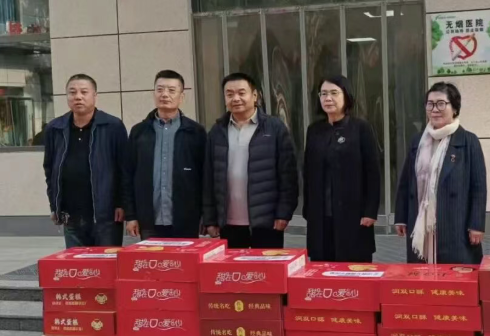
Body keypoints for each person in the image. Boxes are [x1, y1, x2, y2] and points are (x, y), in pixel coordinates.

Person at [394, 82, 487, 264]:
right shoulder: (418, 141)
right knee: (421, 273)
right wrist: (401, 218)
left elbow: (478, 187)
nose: (435, 109)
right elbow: (406, 182)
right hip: (420, 222)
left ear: (455, 108)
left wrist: (476, 224)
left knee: (455, 274)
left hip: (456, 223)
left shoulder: (468, 141)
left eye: (441, 104)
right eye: (430, 104)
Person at [203, 72, 299, 248]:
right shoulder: (217, 131)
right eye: (229, 94)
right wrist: (210, 218)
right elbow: (208, 178)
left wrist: (284, 213)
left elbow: (288, 176)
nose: (236, 98)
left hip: (267, 221)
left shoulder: (274, 128)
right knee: (233, 266)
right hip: (229, 222)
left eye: (241, 93)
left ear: (255, 95)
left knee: (266, 265)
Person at [43, 74, 127, 248]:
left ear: (95, 95)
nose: (78, 97)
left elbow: (124, 168)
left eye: (84, 92)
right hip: (71, 215)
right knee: (77, 263)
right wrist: (54, 205)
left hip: (106, 216)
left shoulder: (112, 126)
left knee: (106, 262)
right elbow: (50, 170)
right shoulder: (55, 128)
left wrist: (122, 203)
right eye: (72, 92)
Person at [303, 75, 381, 263]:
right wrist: (308, 209)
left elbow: (372, 172)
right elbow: (307, 172)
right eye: (323, 94)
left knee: (353, 265)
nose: (328, 98)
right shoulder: (314, 130)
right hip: (320, 215)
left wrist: (370, 211)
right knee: (321, 266)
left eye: (334, 93)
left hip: (354, 214)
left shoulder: (361, 128)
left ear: (346, 96)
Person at [121, 70, 207, 240]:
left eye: (171, 90)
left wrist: (206, 216)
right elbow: (127, 175)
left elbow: (205, 177)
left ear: (181, 97)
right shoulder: (139, 132)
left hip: (186, 220)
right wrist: (131, 216)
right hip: (148, 220)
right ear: (153, 94)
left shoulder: (196, 132)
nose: (165, 94)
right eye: (160, 90)